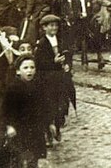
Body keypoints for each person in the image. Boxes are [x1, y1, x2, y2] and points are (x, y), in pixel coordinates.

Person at [3, 54, 49, 168]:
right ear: (18, 71)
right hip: (19, 131)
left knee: (34, 159)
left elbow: (44, 108)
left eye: (32, 67)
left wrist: (50, 124)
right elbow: (5, 110)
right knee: (18, 159)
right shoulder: (13, 88)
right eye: (26, 68)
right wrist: (9, 126)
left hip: (35, 131)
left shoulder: (38, 86)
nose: (30, 71)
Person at [34, 14, 66, 145]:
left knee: (61, 105)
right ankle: (47, 133)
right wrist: (53, 61)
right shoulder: (42, 44)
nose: (54, 28)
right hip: (47, 81)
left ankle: (57, 128)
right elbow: (39, 63)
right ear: (44, 28)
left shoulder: (60, 40)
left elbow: (66, 53)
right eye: (51, 26)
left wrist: (67, 63)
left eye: (56, 25)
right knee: (48, 107)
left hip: (59, 79)